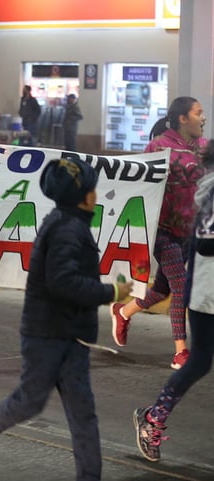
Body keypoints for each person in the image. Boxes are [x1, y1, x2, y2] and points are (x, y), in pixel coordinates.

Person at [0, 158, 132, 480]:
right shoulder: (67, 228)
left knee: (83, 414)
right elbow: (61, 282)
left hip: (70, 335)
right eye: (92, 187)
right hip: (47, 335)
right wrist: (112, 292)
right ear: (83, 195)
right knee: (30, 402)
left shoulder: (70, 222)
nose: (96, 192)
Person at [110, 97, 207, 369]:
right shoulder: (158, 146)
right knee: (181, 286)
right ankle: (181, 352)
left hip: (189, 231)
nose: (204, 118)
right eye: (198, 113)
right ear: (182, 118)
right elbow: (140, 183)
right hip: (161, 230)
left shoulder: (204, 147)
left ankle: (123, 311)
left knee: (162, 289)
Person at [133, 141, 214, 462]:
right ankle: (153, 417)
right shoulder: (212, 193)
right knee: (199, 362)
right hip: (207, 295)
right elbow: (207, 244)